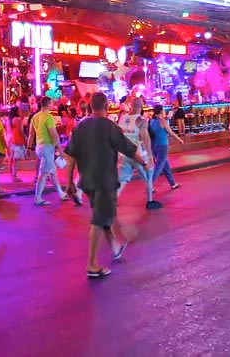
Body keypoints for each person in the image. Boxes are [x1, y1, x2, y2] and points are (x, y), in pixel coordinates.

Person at [65, 91, 142, 279]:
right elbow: (128, 148)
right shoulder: (109, 126)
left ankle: (115, 246)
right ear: (106, 106)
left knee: (102, 213)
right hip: (104, 180)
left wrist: (69, 183)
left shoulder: (80, 127)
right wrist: (145, 162)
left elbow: (71, 155)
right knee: (99, 219)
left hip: (88, 181)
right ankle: (92, 264)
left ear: (90, 106)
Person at [118, 95, 161, 210]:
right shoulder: (141, 120)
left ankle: (111, 202)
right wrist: (150, 157)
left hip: (125, 153)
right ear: (142, 106)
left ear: (131, 105)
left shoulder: (123, 117)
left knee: (122, 179)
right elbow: (145, 138)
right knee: (148, 176)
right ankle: (150, 201)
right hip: (139, 154)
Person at [30, 97, 66, 205]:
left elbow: (31, 133)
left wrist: (28, 147)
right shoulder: (49, 117)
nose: (53, 105)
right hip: (47, 147)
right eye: (51, 103)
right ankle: (38, 198)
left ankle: (61, 193)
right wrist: (60, 149)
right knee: (44, 173)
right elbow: (54, 134)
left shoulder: (35, 117)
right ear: (48, 104)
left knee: (52, 172)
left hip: (39, 146)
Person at [148, 104, 182, 190]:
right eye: (163, 110)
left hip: (154, 146)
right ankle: (150, 185)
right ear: (160, 112)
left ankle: (172, 183)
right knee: (159, 166)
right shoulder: (162, 121)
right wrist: (179, 139)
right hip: (163, 145)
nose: (164, 111)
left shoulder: (151, 121)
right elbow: (171, 133)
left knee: (165, 165)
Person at [7, 107, 28, 182]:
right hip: (18, 140)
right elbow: (20, 130)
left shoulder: (11, 119)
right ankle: (14, 176)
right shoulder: (18, 119)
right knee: (17, 160)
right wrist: (25, 137)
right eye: (19, 110)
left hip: (13, 139)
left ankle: (12, 176)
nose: (20, 111)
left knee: (12, 159)